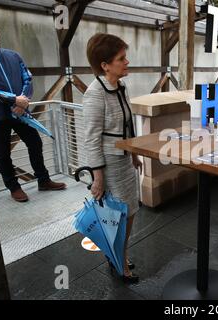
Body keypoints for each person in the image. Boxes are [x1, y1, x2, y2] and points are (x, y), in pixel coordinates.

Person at [84, 33, 142, 283]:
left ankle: (118, 254)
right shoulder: (95, 93)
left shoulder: (121, 86)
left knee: (129, 212)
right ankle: (118, 261)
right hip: (109, 166)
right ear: (105, 65)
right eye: (121, 58)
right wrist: (98, 178)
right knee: (118, 216)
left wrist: (135, 154)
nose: (127, 62)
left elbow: (128, 124)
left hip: (125, 161)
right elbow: (91, 138)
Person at [0, 19, 66, 202]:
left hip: (20, 112)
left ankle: (43, 180)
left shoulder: (13, 56)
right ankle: (14, 187)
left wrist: (23, 101)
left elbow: (27, 78)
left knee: (35, 142)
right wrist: (13, 99)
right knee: (2, 153)